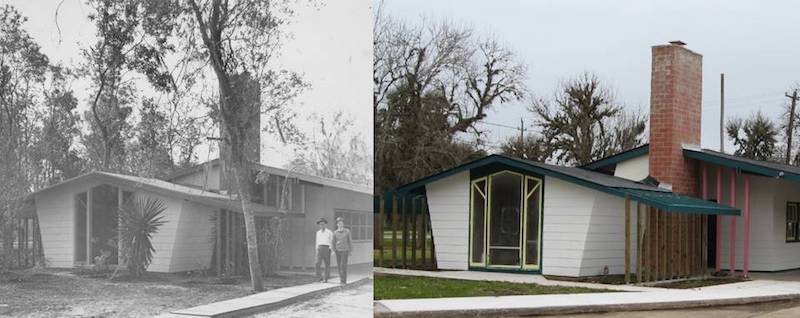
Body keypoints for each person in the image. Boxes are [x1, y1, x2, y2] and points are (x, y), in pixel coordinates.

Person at [332, 216, 352, 284]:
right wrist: (333, 250)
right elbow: (333, 242)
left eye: (341, 223)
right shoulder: (335, 232)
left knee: (343, 265)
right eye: (338, 223)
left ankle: (343, 280)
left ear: (343, 224)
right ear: (337, 224)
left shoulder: (347, 231)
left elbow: (350, 241)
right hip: (338, 251)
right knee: (339, 265)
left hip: (345, 250)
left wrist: (350, 250)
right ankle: (341, 279)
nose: (340, 224)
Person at [315, 217, 333, 282]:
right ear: (319, 225)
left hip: (327, 248)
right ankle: (319, 278)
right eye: (320, 224)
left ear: (325, 224)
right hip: (319, 248)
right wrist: (316, 249)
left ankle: (326, 278)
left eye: (323, 224)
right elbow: (317, 242)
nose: (321, 225)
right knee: (317, 263)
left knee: (327, 264)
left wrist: (331, 249)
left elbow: (332, 241)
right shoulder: (318, 232)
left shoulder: (329, 232)